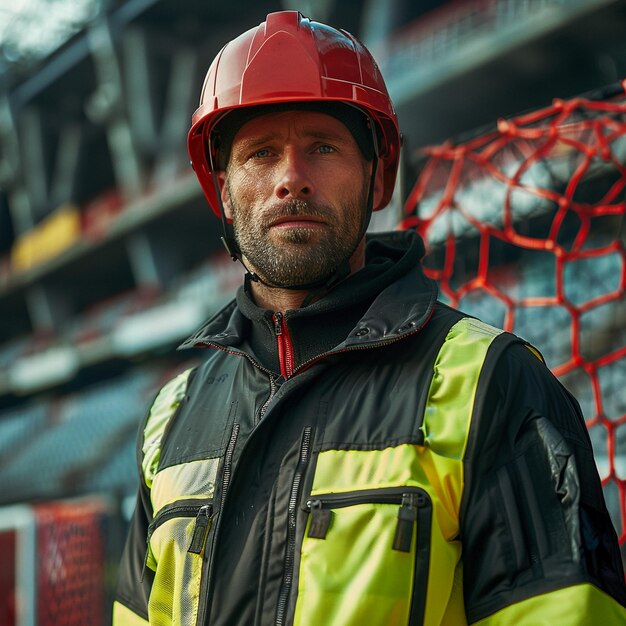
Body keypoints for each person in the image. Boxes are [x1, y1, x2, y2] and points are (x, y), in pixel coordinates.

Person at [113, 10, 626, 626]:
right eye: (260, 154)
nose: (290, 180)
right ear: (221, 190)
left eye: (322, 147)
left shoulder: (495, 385)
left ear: (378, 177)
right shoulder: (167, 423)